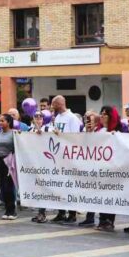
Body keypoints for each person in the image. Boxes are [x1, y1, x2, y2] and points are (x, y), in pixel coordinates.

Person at [49, 95, 82, 224]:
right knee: (60, 185)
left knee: (69, 186)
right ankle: (61, 212)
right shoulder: (57, 117)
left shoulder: (72, 118)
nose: (52, 107)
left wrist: (60, 135)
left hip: (68, 156)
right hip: (58, 155)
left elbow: (74, 138)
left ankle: (72, 214)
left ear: (59, 103)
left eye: (53, 104)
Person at [93, 106, 122, 232]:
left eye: (106, 114)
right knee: (101, 195)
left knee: (110, 195)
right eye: (102, 114)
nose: (103, 116)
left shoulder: (117, 131)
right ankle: (102, 219)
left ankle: (110, 220)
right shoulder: (98, 130)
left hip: (111, 168)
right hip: (99, 168)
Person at [29, 110, 53, 223]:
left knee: (43, 188)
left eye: (40, 117)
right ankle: (39, 211)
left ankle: (42, 213)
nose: (38, 118)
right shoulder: (30, 130)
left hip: (45, 162)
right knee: (37, 188)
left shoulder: (48, 129)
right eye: (36, 116)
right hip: (33, 162)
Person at [0, 114, 17, 220]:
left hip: (9, 160)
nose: (0, 122)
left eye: (2, 121)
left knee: (9, 186)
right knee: (2, 186)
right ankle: (7, 209)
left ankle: (12, 211)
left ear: (8, 122)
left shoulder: (14, 133)